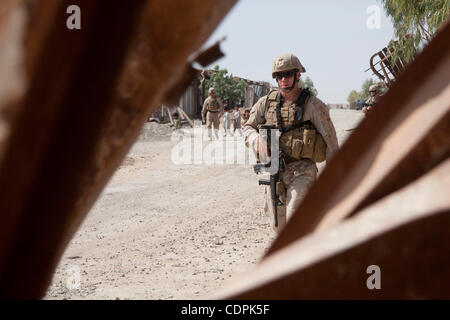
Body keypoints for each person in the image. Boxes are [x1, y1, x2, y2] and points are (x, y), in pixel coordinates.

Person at [243, 53, 339, 232]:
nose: (283, 79)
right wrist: (256, 140)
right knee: (278, 226)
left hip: (302, 170)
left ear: (298, 75)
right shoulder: (265, 103)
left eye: (287, 74)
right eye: (279, 76)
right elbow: (248, 127)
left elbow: (331, 141)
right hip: (274, 171)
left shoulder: (314, 105)